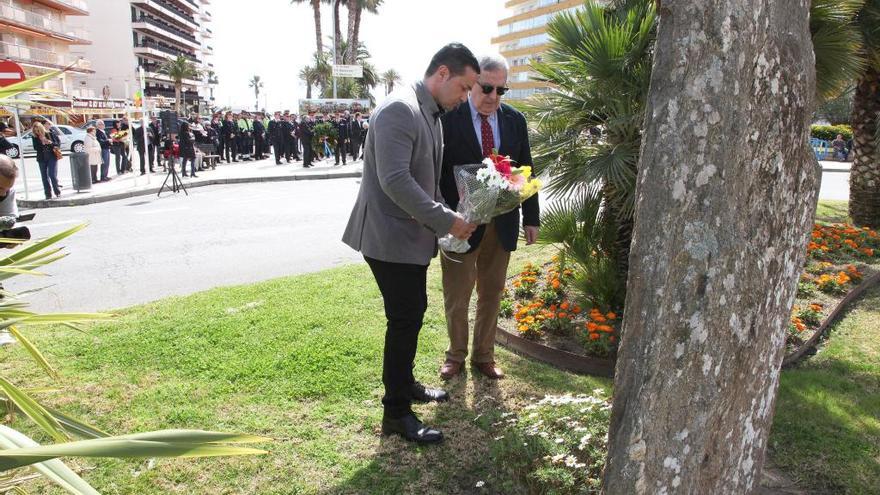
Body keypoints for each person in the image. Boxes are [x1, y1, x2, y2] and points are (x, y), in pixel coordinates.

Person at [341, 43, 481, 445]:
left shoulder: (431, 114)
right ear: (442, 74)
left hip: (411, 235)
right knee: (404, 318)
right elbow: (395, 180)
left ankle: (405, 386)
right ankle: (396, 413)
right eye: (464, 87)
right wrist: (446, 220)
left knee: (412, 313)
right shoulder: (400, 109)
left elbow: (425, 181)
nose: (465, 97)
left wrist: (454, 213)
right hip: (388, 237)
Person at [438, 55, 540, 381]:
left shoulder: (515, 121)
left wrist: (531, 217)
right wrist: (445, 216)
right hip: (461, 225)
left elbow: (526, 169)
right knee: (457, 294)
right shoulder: (449, 118)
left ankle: (484, 355)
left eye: (501, 90)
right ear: (472, 83)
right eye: (486, 88)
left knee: (492, 292)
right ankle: (455, 356)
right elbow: (437, 172)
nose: (493, 97)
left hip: (503, 223)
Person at [31, 121, 61, 200]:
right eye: (35, 131)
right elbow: (35, 147)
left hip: (52, 156)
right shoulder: (35, 137)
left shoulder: (49, 134)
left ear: (41, 128)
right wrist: (42, 143)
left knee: (52, 175)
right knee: (44, 177)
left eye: (38, 130)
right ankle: (48, 194)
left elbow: (57, 143)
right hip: (41, 158)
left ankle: (57, 191)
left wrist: (50, 142)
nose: (37, 132)